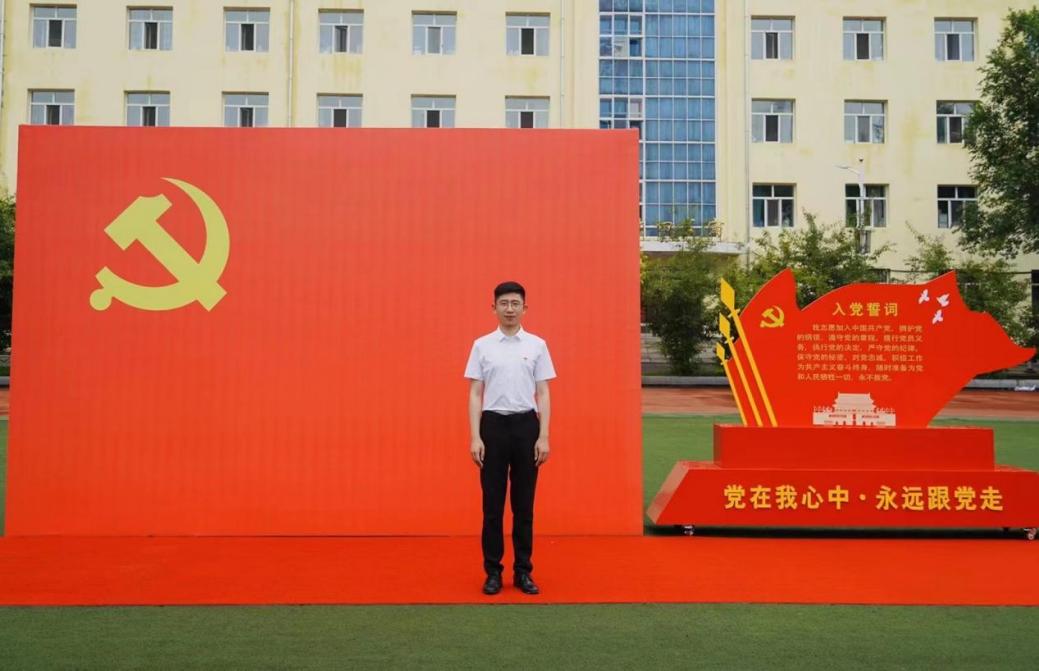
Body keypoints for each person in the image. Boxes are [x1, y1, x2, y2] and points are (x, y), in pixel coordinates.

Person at [464, 281, 555, 596]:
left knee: (523, 506)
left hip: (526, 426)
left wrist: (543, 435)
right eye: (504, 303)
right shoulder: (482, 346)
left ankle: (523, 571)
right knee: (492, 506)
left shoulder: (537, 345)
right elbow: (475, 393)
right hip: (492, 427)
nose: (510, 309)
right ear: (494, 308)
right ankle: (493, 572)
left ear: (525, 308)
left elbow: (543, 392)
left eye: (515, 303)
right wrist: (475, 436)